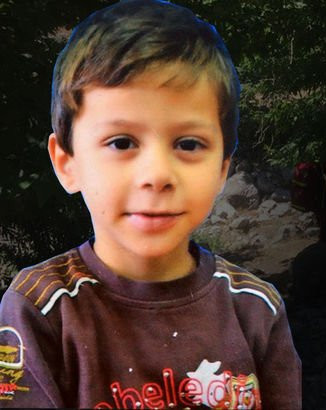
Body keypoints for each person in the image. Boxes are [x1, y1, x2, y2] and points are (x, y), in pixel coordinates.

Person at [0, 1, 301, 408]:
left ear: (221, 169)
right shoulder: (39, 309)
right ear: (67, 163)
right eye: (122, 142)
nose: (157, 174)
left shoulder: (255, 308)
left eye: (188, 144)